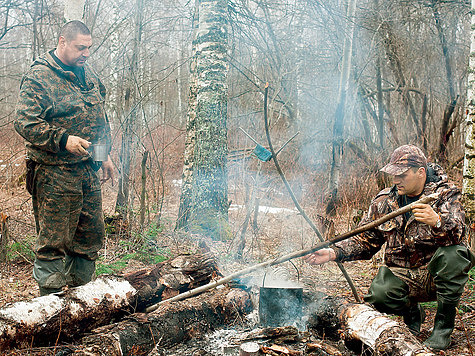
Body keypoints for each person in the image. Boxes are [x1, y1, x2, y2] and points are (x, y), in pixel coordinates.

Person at [304, 145, 475, 350]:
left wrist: (437, 222)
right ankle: (413, 311)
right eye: (393, 175)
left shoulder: (446, 195)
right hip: (403, 275)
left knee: (454, 255)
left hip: (437, 277)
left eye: (402, 175)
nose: (395, 181)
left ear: (420, 172)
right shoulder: (384, 201)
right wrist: (334, 252)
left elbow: (461, 236)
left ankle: (442, 329)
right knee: (378, 295)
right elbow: (364, 240)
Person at [14, 20, 114, 296]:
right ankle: (52, 309)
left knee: (89, 237)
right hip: (54, 173)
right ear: (62, 42)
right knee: (54, 242)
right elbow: (24, 122)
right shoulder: (40, 76)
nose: (86, 53)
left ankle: (81, 303)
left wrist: (103, 155)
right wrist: (63, 140)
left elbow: (99, 118)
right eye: (80, 48)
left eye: (89, 48)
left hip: (87, 171)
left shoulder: (88, 72)